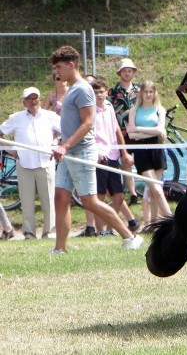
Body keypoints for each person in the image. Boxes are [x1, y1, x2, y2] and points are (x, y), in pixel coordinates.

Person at [49, 46, 143, 254]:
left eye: (59, 67)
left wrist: (65, 145)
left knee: (89, 201)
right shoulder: (72, 89)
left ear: (71, 65)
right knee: (61, 197)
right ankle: (60, 249)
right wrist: (60, 144)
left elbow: (87, 123)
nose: (57, 72)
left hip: (81, 151)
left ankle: (130, 236)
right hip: (69, 152)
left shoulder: (82, 89)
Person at [0, 87, 61, 239]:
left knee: (48, 200)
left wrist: (56, 142)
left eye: (36, 98)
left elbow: (65, 130)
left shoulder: (50, 116)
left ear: (40, 100)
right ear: (24, 102)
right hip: (24, 163)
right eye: (30, 99)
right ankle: (29, 233)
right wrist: (11, 151)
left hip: (45, 162)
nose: (33, 101)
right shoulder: (16, 117)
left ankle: (50, 232)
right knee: (27, 202)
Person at [91, 79, 138, 235]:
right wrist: (96, 151)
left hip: (112, 155)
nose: (99, 95)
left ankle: (110, 228)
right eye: (96, 92)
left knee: (118, 196)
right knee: (99, 196)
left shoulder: (109, 107)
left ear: (106, 92)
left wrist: (123, 152)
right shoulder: (89, 110)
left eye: (101, 91)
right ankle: (99, 230)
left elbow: (117, 129)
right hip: (99, 156)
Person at [126, 80, 172, 223]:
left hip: (156, 149)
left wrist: (139, 129)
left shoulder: (160, 109)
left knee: (153, 191)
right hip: (141, 151)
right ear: (141, 93)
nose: (148, 95)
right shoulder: (134, 110)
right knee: (156, 188)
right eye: (145, 92)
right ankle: (172, 219)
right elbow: (131, 135)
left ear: (154, 93)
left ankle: (154, 222)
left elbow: (160, 129)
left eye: (151, 92)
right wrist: (153, 132)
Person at [108, 58, 140, 203]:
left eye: (129, 71)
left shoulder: (139, 90)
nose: (127, 73)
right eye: (124, 71)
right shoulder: (113, 91)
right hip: (120, 132)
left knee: (141, 160)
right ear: (120, 73)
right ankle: (133, 193)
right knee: (126, 162)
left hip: (138, 131)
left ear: (133, 72)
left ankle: (146, 191)